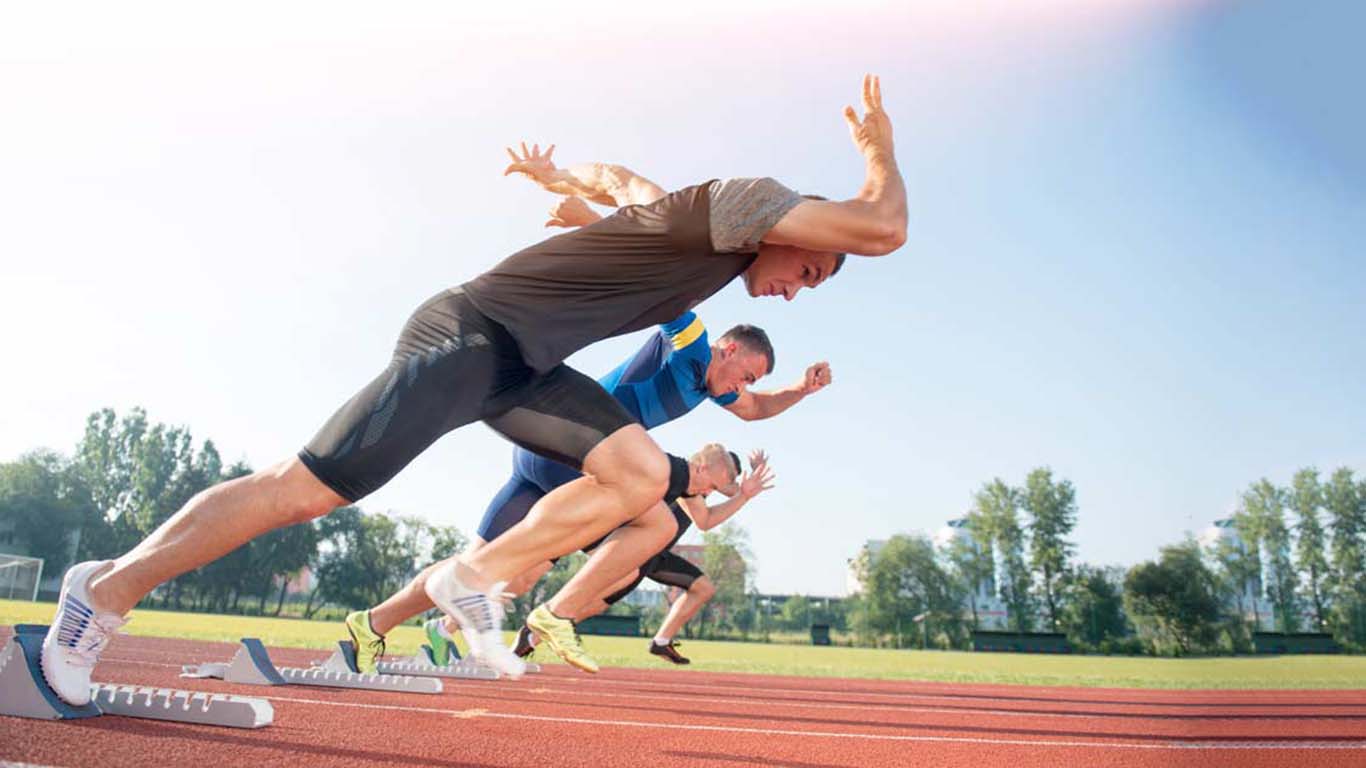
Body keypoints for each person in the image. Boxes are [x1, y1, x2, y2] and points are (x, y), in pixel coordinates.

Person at [42, 75, 906, 702]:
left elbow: (630, 184)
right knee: (301, 493)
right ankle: (105, 592)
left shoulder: (705, 247)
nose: (802, 283)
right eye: (813, 266)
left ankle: (473, 581)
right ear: (789, 225)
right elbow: (884, 227)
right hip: (469, 334)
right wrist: (879, 155)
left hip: (525, 370)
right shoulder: (748, 202)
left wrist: (572, 187)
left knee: (643, 476)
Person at [342, 170, 830, 675]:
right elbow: (652, 273)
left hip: (551, 459)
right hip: (572, 454)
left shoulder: (714, 391)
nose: (742, 390)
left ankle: (376, 623)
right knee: (658, 521)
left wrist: (800, 389)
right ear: (727, 350)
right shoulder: (689, 339)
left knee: (489, 565)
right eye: (746, 375)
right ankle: (556, 616)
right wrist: (589, 219)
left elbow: (757, 410)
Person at [511, 450, 775, 666]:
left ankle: (659, 641)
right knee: (593, 596)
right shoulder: (677, 477)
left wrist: (745, 491)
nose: (712, 490)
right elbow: (718, 500)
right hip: (630, 541)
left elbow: (707, 518)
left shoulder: (694, 491)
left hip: (654, 553)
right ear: (704, 468)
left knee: (698, 587)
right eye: (718, 483)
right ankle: (530, 633)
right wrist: (742, 490)